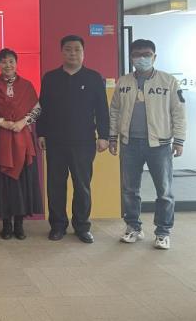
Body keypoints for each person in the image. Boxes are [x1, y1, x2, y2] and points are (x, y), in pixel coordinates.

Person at [109, 39, 186, 250]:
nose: (141, 58)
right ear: (131, 57)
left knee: (164, 191)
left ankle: (163, 232)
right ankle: (133, 227)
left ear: (154, 57)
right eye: (137, 54)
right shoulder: (123, 82)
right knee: (129, 189)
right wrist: (113, 137)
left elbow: (179, 112)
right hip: (129, 144)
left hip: (159, 145)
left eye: (146, 54)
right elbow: (114, 111)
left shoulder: (168, 81)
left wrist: (179, 140)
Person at [37, 35, 110, 244]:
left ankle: (82, 226)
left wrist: (104, 136)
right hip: (55, 141)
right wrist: (41, 133)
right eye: (68, 49)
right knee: (55, 186)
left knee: (82, 186)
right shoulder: (50, 78)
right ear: (62, 52)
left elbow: (102, 110)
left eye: (77, 49)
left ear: (83, 52)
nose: (72, 53)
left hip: (84, 141)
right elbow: (43, 108)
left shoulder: (93, 78)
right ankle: (58, 226)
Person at [0, 48, 43, 240]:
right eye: (3, 62)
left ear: (16, 64)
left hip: (22, 139)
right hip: (0, 140)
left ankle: (19, 224)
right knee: (3, 182)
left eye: (11, 61)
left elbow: (37, 109)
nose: (7, 65)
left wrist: (22, 122)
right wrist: (4, 123)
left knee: (22, 182)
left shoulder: (26, 85)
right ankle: (6, 225)